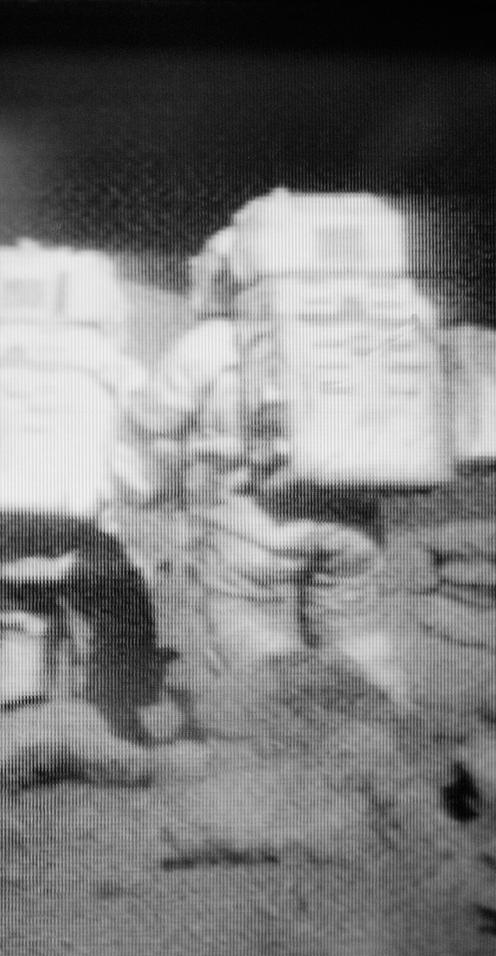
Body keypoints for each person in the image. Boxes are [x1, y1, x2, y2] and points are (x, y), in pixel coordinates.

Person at [114, 232, 410, 703]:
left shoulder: (211, 342)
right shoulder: (361, 336)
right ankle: (382, 728)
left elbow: (151, 419)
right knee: (358, 637)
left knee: (257, 655)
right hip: (353, 520)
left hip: (252, 523)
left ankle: (273, 739)